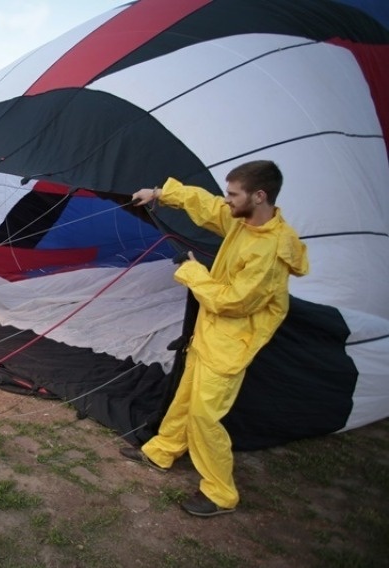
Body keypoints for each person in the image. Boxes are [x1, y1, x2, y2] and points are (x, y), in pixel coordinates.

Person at [122, 160, 308, 518]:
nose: (226, 200)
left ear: (259, 195)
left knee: (205, 416)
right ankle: (163, 450)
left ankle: (221, 493)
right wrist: (161, 194)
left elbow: (233, 302)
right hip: (211, 332)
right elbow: (207, 206)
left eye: (233, 194)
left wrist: (192, 271)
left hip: (232, 341)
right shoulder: (244, 221)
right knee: (187, 394)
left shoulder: (270, 251)